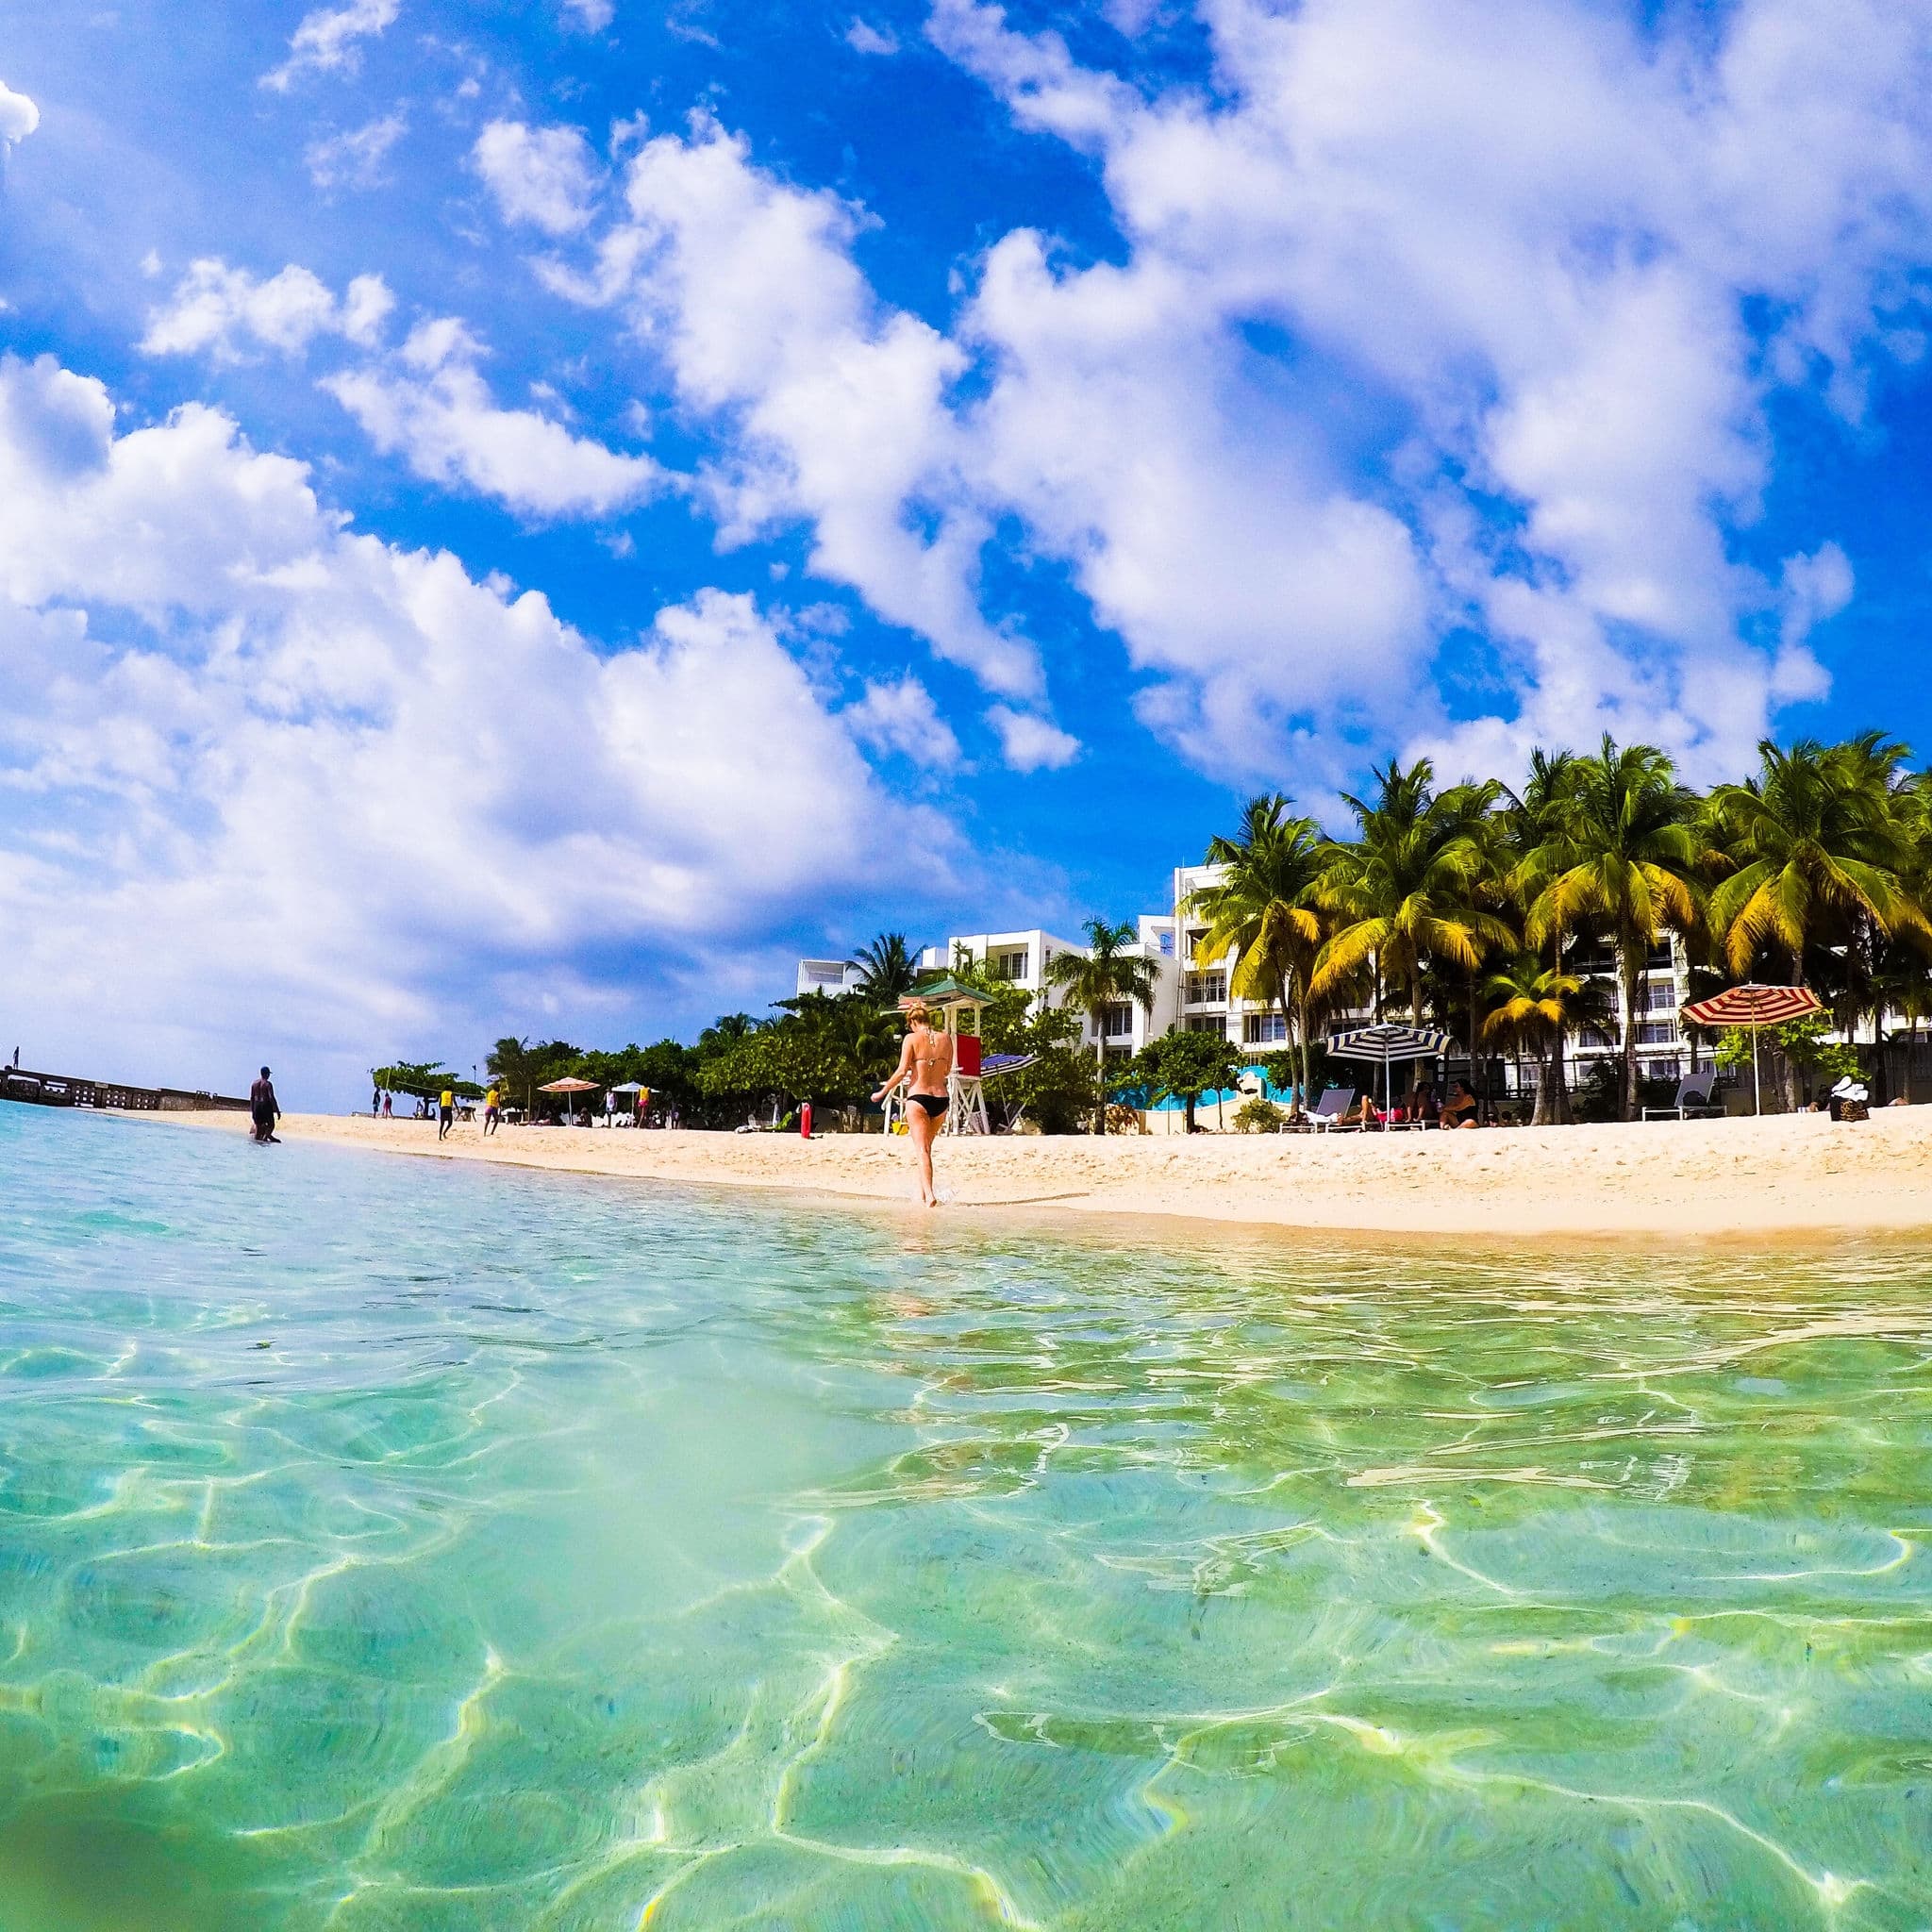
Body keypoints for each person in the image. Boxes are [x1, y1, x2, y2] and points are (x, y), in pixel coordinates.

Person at [873, 997, 955, 1208]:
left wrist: (882, 1092)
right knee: (927, 1148)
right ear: (928, 1019)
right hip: (941, 1099)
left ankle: (929, 1195)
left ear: (912, 1023)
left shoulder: (910, 1039)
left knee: (922, 1150)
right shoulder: (946, 1038)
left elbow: (901, 1071)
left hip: (918, 1098)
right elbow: (946, 1071)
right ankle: (922, 1194)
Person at [250, 1066, 280, 1143]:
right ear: (266, 1074)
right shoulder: (268, 1084)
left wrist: (253, 1111)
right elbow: (271, 1098)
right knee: (271, 1125)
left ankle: (256, 1147)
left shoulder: (254, 1084)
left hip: (256, 1106)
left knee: (258, 1127)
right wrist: (277, 1110)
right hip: (265, 1106)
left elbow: (252, 1098)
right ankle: (266, 1137)